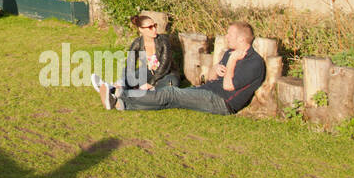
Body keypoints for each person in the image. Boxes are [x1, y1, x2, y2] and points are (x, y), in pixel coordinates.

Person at [108, 21, 265, 115]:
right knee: (171, 100)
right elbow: (211, 77)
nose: (226, 37)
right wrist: (216, 68)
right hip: (208, 90)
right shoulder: (231, 52)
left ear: (242, 38)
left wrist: (231, 62)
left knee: (171, 94)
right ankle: (124, 104)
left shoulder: (254, 63)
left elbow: (228, 86)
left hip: (222, 102)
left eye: (230, 35)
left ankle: (120, 93)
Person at [91, 14, 178, 109]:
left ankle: (118, 97)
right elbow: (130, 64)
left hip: (168, 74)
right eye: (150, 27)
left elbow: (164, 66)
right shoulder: (137, 43)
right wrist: (124, 80)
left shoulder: (163, 41)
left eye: (155, 25)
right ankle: (113, 89)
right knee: (130, 78)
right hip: (149, 72)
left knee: (164, 91)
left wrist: (151, 83)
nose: (154, 29)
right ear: (141, 29)